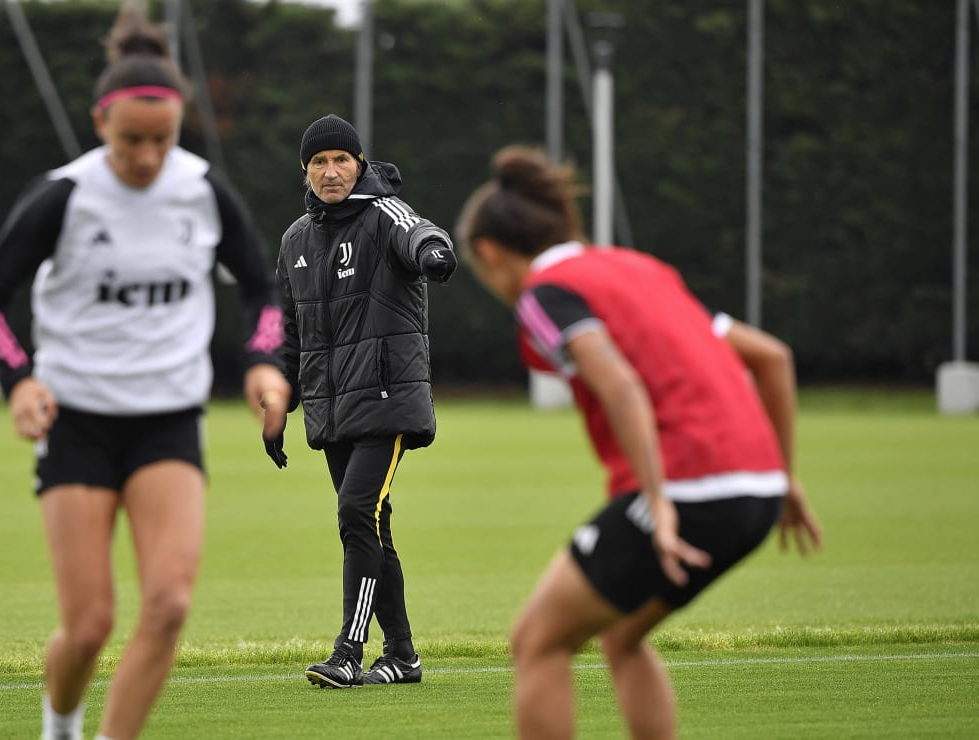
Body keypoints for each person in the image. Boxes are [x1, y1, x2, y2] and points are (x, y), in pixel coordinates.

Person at [0, 8, 291, 739]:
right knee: (88, 626)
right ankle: (61, 725)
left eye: (163, 140)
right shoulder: (64, 193)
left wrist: (264, 364)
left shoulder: (203, 190)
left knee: (170, 604)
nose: (147, 157)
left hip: (167, 422)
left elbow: (263, 290)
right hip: (76, 421)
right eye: (130, 141)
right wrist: (19, 378)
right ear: (99, 123)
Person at [454, 146, 823, 738]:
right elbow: (772, 357)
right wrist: (783, 476)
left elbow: (621, 383)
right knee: (621, 636)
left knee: (538, 641)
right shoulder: (641, 269)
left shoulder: (542, 295)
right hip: (754, 490)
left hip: (688, 489)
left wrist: (656, 499)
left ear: (490, 253)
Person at [266, 114, 458, 688]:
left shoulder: (382, 214)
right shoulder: (296, 239)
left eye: (341, 160)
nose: (331, 172)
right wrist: (279, 404)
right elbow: (288, 333)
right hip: (333, 410)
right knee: (372, 528)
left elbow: (422, 230)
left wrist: (433, 252)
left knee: (355, 514)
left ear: (360, 165)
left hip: (386, 398)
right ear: (305, 170)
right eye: (319, 162)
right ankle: (402, 656)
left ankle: (349, 651)